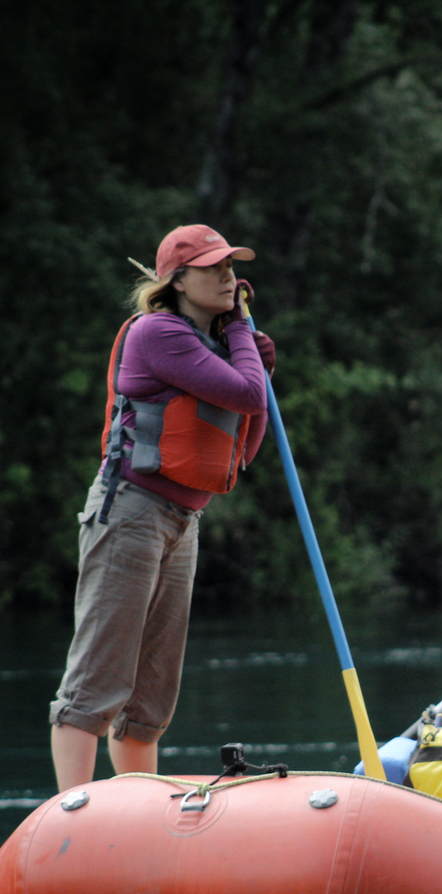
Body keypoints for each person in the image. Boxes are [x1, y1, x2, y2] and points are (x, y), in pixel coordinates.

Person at [50, 224, 276, 791]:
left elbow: (245, 446)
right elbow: (245, 394)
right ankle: (72, 817)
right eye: (214, 268)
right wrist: (247, 337)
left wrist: (258, 367)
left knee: (152, 694)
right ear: (177, 281)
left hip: (183, 521)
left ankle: (141, 817)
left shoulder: (219, 349)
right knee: (98, 681)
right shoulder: (159, 333)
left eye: (231, 266)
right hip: (130, 510)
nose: (229, 277)